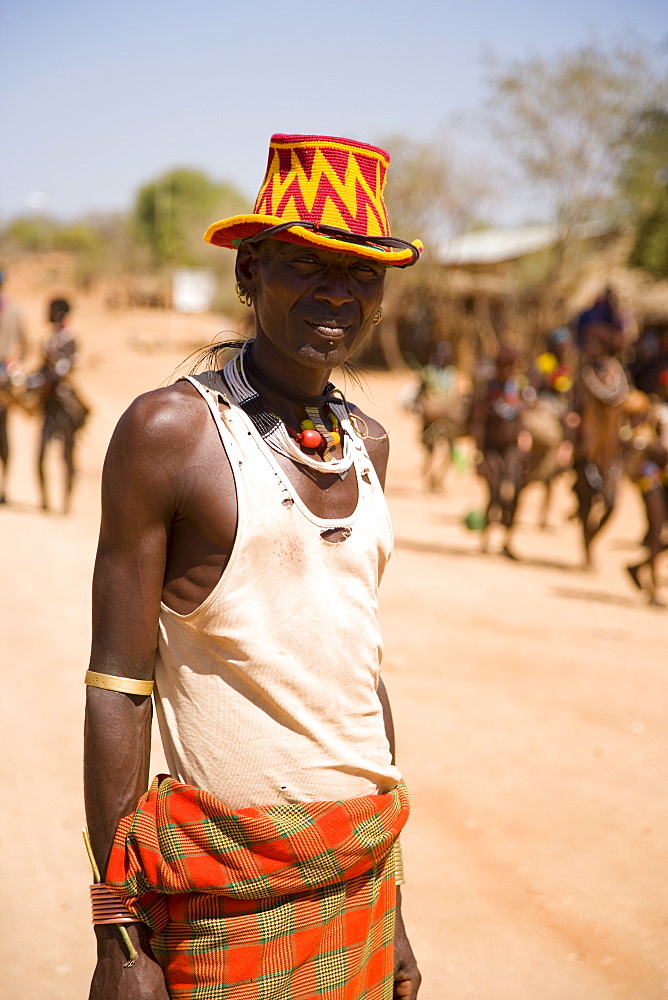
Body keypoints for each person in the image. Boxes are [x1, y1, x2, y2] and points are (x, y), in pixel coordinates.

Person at [84, 133, 423, 1000]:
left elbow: (356, 675)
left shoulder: (369, 447)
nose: (336, 291)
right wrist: (118, 938)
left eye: (360, 272)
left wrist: (396, 911)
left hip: (360, 865)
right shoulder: (172, 435)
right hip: (227, 891)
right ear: (249, 273)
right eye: (306, 263)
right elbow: (117, 685)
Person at [28, 297, 89, 511]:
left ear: (58, 312)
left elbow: (62, 370)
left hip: (64, 402)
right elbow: (43, 368)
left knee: (67, 455)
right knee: (41, 454)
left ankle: (66, 502)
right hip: (48, 402)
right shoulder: (49, 338)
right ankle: (45, 501)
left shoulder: (70, 338)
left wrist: (41, 379)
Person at [469, 346, 527, 558]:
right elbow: (478, 424)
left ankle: (507, 541)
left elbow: (521, 417)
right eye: (508, 367)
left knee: (513, 491)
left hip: (511, 449)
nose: (511, 371)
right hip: (490, 449)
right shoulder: (487, 391)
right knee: (493, 491)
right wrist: (479, 453)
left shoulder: (517, 390)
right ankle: (485, 539)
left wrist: (523, 436)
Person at [0, 267, 28, 503]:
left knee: (3, 433)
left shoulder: (14, 311)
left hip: (4, 379)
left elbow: (25, 344)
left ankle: (4, 485)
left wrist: (14, 362)